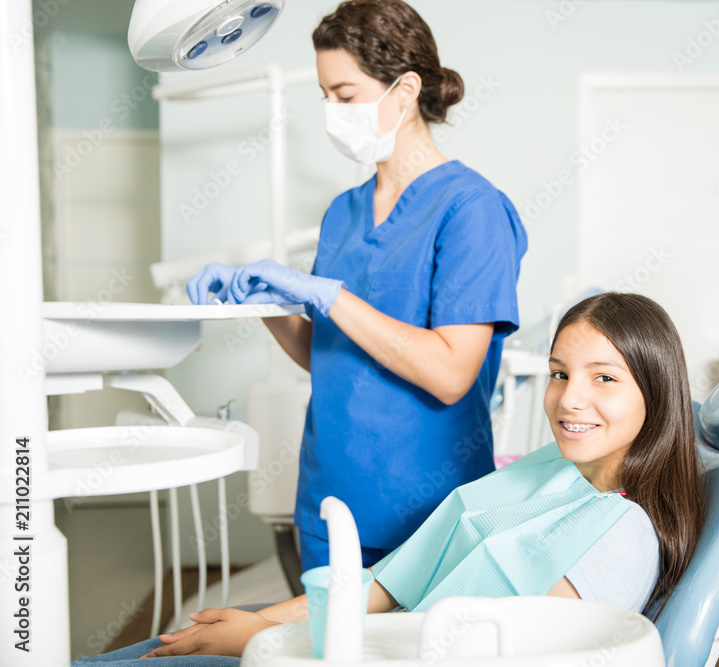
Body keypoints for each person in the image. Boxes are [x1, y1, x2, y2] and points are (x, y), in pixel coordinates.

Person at [74, 292, 706, 664]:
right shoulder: (552, 466)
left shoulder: (623, 536)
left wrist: (276, 642)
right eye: (560, 373)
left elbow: (502, 654)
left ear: (656, 390)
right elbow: (391, 581)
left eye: (604, 378)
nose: (569, 401)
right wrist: (264, 621)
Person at [187, 0, 528, 571]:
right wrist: (267, 304)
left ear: (405, 90)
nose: (331, 112)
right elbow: (327, 356)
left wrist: (329, 295)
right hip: (327, 503)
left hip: (426, 514)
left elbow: (449, 374)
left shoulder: (472, 209)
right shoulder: (342, 213)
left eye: (344, 96)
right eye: (324, 96)